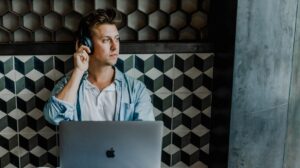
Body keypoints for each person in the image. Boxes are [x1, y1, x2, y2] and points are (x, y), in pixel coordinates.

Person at [43, 8, 154, 125]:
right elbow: (54, 118)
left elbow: (145, 137)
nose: (115, 47)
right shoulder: (68, 84)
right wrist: (78, 71)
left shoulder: (136, 89)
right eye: (106, 40)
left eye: (117, 39)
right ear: (86, 44)